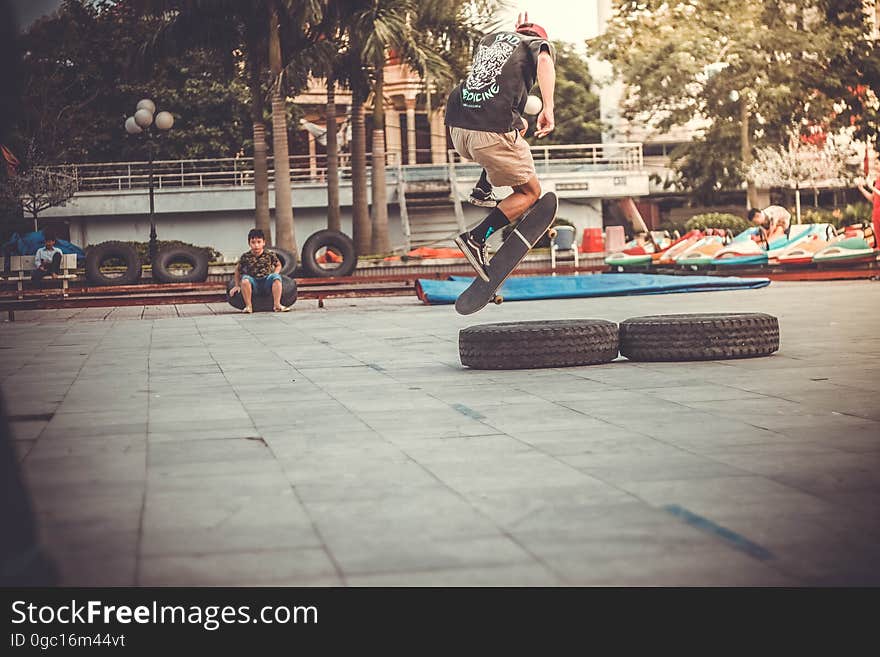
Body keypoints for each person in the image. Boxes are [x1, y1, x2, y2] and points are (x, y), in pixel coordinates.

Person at [446, 12, 556, 281]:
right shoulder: (536, 45)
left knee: (514, 131)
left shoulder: (490, 41)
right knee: (530, 192)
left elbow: (492, 85)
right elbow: (543, 60)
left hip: (458, 128)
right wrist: (549, 108)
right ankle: (476, 238)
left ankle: (483, 188)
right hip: (490, 132)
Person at [228, 229, 291, 313]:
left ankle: (277, 305)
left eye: (259, 242)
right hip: (253, 283)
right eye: (253, 242)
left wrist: (275, 273)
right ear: (249, 243)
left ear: (263, 242)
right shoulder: (245, 256)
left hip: (266, 281)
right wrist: (236, 285)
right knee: (245, 280)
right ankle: (248, 306)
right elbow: (237, 270)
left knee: (276, 278)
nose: (256, 245)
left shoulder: (269, 254)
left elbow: (278, 265)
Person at [856, 174, 880, 248]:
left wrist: (872, 187)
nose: (875, 166)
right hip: (876, 213)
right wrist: (861, 188)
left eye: (877, 163)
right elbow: (873, 198)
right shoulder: (878, 180)